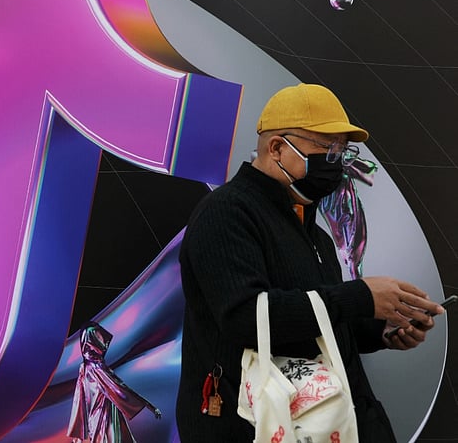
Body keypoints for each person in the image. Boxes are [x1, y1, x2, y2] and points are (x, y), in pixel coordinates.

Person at [174, 83, 443, 442]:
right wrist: (359, 296)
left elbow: (316, 324)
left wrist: (381, 331)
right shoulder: (226, 212)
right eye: (326, 148)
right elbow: (246, 318)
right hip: (256, 426)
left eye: (342, 150)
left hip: (331, 423)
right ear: (277, 148)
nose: (336, 161)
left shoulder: (313, 232)